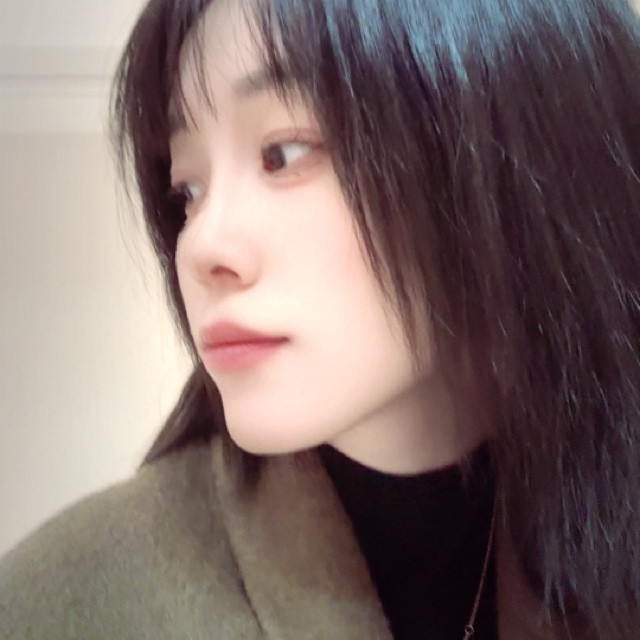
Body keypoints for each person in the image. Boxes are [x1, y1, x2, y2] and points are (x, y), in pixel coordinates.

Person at [1, 0, 639, 638]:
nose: (199, 247)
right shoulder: (59, 605)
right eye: (186, 190)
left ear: (508, 145)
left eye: (282, 153)